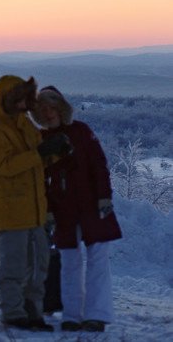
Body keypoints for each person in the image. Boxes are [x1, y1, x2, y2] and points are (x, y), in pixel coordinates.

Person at [0, 75, 70, 332]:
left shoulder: (26, 126)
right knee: (14, 266)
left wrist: (53, 153)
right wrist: (40, 153)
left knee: (39, 267)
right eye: (17, 99)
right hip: (11, 211)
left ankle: (34, 313)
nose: (22, 104)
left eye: (25, 99)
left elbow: (36, 164)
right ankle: (13, 314)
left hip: (35, 210)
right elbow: (6, 167)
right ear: (5, 100)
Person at [33, 86, 122, 333]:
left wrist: (104, 197)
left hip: (93, 205)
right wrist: (48, 210)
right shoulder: (41, 141)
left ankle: (96, 315)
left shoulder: (81, 131)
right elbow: (40, 180)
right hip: (64, 210)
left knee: (98, 261)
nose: (49, 113)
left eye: (52, 107)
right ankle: (72, 315)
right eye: (43, 110)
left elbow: (99, 165)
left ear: (61, 108)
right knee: (70, 262)